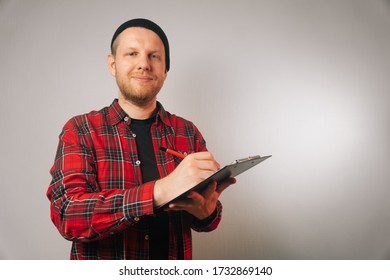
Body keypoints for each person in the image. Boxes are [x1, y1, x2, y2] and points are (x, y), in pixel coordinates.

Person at [46, 18, 236, 260]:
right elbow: (68, 215)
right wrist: (160, 191)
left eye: (154, 56)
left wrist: (206, 212)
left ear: (165, 71)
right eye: (132, 54)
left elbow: (207, 222)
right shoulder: (80, 129)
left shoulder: (188, 132)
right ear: (113, 64)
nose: (144, 64)